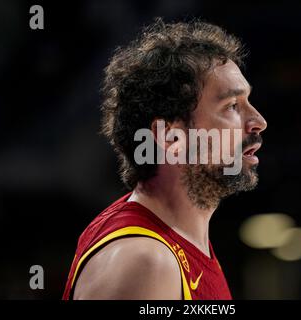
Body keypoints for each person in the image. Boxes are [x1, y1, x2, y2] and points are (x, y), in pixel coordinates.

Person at [62, 18, 267, 300]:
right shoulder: (144, 262)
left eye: (247, 102)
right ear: (171, 138)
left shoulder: (178, 244)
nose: (259, 121)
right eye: (232, 105)